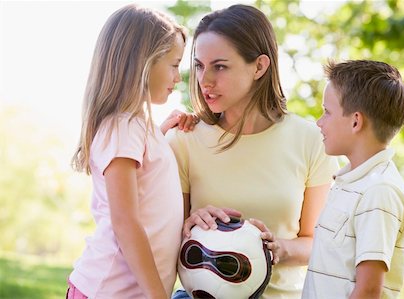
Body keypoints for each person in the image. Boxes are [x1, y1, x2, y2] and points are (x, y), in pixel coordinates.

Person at [167, 4, 338, 298]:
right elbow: (165, 241)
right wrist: (189, 226)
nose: (205, 80)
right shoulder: (184, 140)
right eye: (198, 65)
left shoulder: (311, 140)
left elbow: (318, 242)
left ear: (259, 66)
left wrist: (277, 248)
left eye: (219, 66)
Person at [67, 4, 197, 298]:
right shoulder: (124, 127)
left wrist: (161, 134)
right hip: (110, 290)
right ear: (143, 63)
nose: (178, 78)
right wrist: (157, 295)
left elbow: (147, 179)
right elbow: (125, 221)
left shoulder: (136, 127)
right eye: (174, 65)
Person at [302, 60, 404, 298]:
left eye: (326, 112)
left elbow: (368, 290)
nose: (319, 123)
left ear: (355, 121)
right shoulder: (349, 183)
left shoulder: (379, 191)